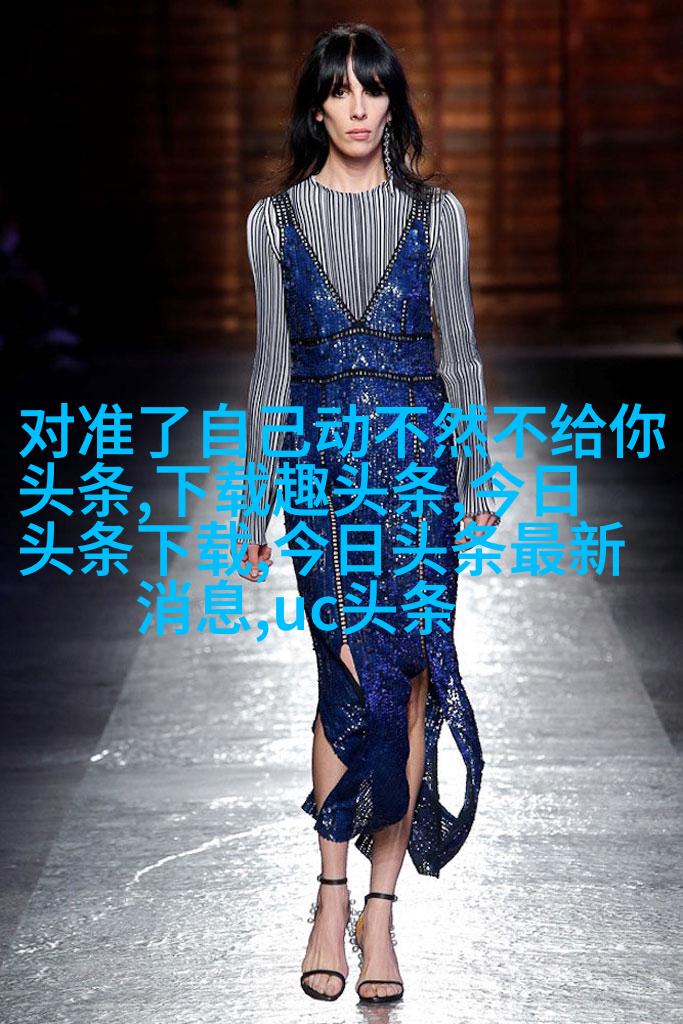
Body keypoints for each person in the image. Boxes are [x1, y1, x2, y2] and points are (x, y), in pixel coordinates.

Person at [236, 22, 500, 1005]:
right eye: (339, 90)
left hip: (417, 466)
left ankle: (378, 916)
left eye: (372, 88)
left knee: (413, 676)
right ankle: (328, 896)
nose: (356, 107)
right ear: (316, 107)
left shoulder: (438, 215)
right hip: (318, 467)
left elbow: (458, 349)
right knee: (346, 671)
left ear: (392, 103)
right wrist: (255, 496)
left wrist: (473, 466)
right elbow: (270, 368)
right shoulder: (272, 221)